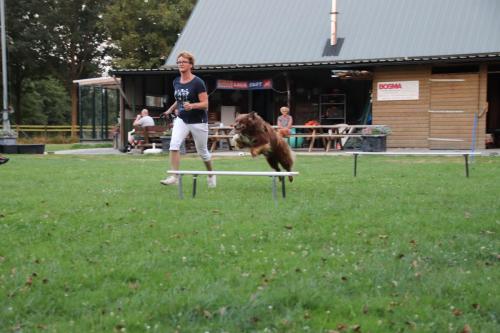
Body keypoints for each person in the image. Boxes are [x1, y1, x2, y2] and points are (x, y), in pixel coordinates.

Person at [160, 51, 216, 187]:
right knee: (174, 145)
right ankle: (174, 176)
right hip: (182, 119)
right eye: (178, 62)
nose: (180, 64)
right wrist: (170, 110)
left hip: (198, 121)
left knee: (202, 152)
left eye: (183, 62)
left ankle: (211, 174)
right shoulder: (176, 81)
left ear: (191, 65)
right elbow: (178, 99)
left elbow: (205, 104)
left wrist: (192, 105)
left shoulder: (198, 82)